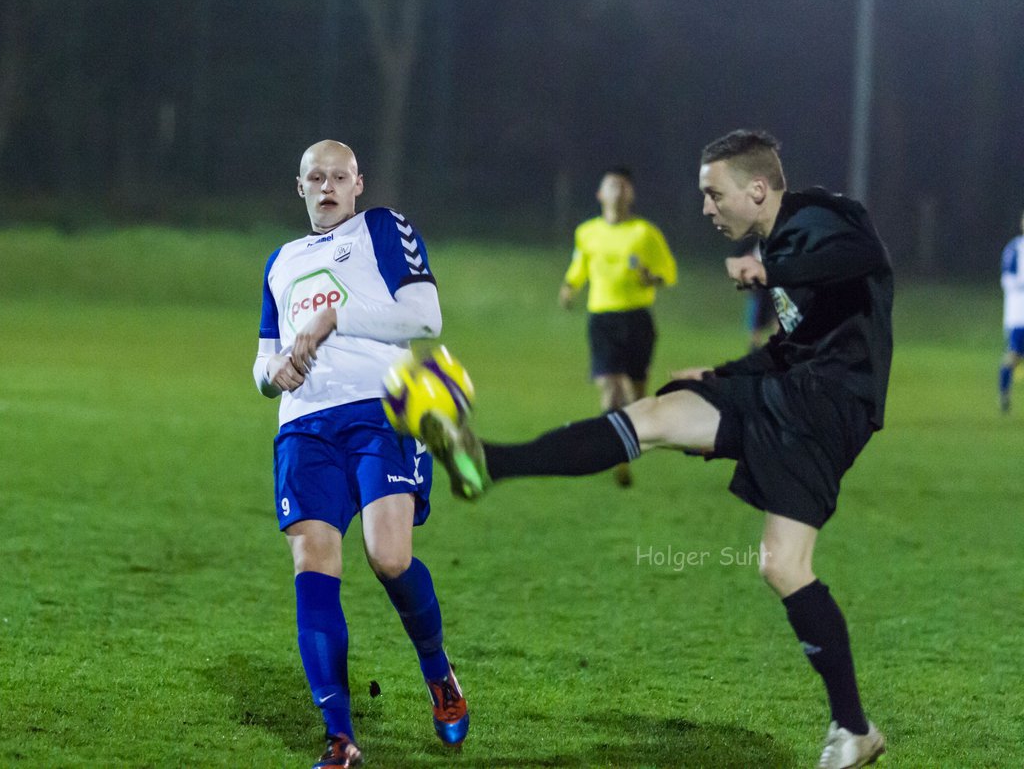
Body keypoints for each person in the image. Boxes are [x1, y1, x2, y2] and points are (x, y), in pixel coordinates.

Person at [425, 130, 890, 769]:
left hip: (829, 409)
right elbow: (802, 342)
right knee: (655, 414)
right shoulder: (778, 240)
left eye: (712, 193)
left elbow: (862, 256)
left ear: (757, 188)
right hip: (789, 389)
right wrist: (725, 374)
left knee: (783, 565)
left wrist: (769, 271)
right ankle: (487, 462)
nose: (705, 208)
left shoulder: (822, 217)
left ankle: (853, 727)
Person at [253, 140, 468, 769]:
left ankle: (440, 677)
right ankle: (340, 737)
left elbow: (425, 318)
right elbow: (261, 364)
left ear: (358, 184)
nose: (326, 187)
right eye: (315, 178)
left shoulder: (382, 227)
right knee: (312, 562)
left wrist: (332, 320)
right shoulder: (280, 261)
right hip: (305, 427)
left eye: (338, 177)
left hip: (380, 410)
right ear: (300, 187)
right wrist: (279, 372)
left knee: (389, 555)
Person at [558, 167, 677, 487]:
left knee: (637, 395)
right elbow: (580, 264)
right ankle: (615, 451)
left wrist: (652, 277)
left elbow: (668, 271)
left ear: (631, 194)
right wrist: (570, 287)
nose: (618, 190)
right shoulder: (587, 232)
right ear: (600, 194)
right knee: (611, 390)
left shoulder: (644, 232)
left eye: (624, 185)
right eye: (611, 185)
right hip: (602, 319)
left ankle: (629, 442)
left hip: (637, 318)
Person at [999, 211, 1024, 413]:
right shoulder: (1015, 248)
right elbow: (1006, 280)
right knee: (1014, 355)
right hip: (1019, 314)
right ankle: (1004, 395)